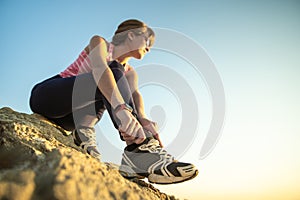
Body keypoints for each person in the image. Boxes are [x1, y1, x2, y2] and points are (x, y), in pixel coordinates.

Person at [29, 19, 198, 184]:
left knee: (117, 80)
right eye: (147, 40)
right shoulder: (100, 43)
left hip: (71, 120)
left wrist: (142, 119)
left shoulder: (130, 73)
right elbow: (100, 69)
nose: (149, 47)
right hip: (48, 97)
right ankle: (138, 150)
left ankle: (123, 147)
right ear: (131, 35)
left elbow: (135, 95)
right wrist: (121, 109)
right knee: (113, 72)